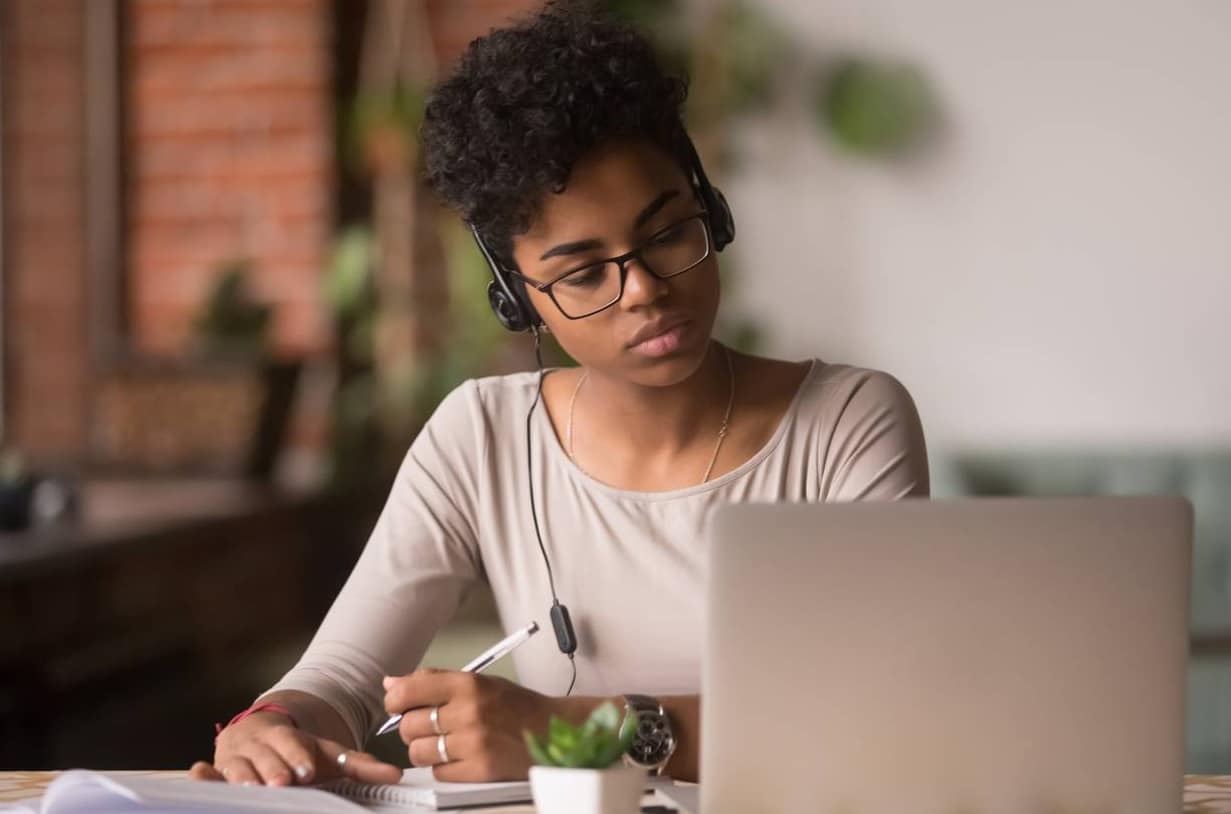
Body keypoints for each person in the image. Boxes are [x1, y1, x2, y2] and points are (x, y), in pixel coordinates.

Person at [191, 1, 928, 789]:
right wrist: (271, 728)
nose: (643, 289)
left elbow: (874, 713)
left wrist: (573, 729)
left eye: (669, 233)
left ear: (709, 210)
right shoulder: (481, 435)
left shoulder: (847, 423)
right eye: (582, 273)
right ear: (519, 299)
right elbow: (341, 675)